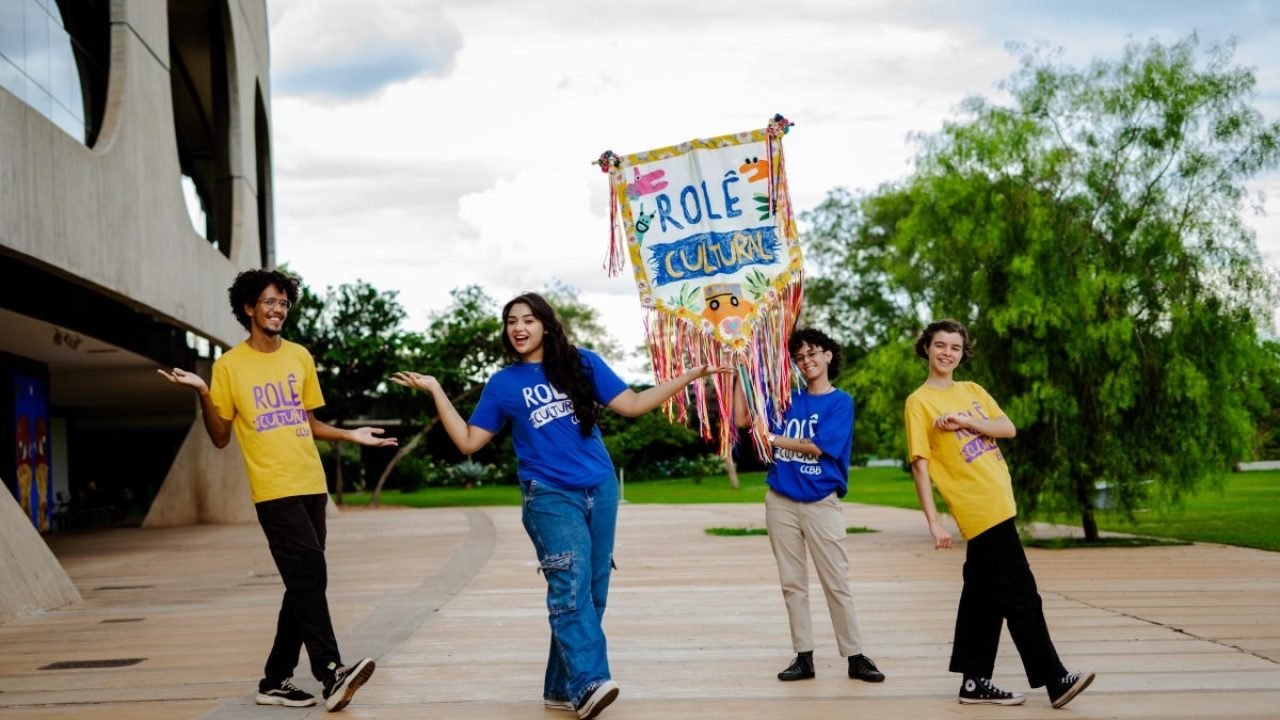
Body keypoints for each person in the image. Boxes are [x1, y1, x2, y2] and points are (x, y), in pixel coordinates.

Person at [392, 291, 727, 720]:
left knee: (593, 590)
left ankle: (559, 688)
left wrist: (691, 374)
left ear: (546, 325)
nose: (518, 328)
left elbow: (633, 404)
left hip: (600, 488)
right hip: (548, 494)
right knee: (569, 583)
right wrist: (437, 389)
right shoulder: (503, 384)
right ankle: (589, 682)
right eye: (511, 321)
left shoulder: (582, 363)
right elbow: (469, 441)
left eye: (528, 320)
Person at [159, 269, 396, 712]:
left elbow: (308, 423)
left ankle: (274, 680)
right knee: (308, 574)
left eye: (284, 303)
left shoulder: (300, 357)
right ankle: (331, 673)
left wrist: (351, 435)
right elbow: (220, 437)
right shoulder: (229, 366)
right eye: (269, 301)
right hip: (273, 489)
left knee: (303, 581)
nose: (278, 310)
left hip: (311, 485)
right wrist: (203, 394)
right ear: (249, 307)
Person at [904, 318, 1094, 709]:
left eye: (955, 348)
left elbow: (1007, 427)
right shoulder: (918, 402)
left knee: (983, 595)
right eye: (940, 345)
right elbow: (920, 464)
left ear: (962, 353)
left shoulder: (972, 391)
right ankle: (1055, 679)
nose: (947, 353)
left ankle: (974, 681)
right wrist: (934, 520)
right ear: (926, 348)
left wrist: (966, 420)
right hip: (978, 509)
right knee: (1021, 594)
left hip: (1000, 501)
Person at [733, 327, 885, 685]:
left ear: (829, 355)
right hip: (781, 500)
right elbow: (743, 420)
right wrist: (741, 370)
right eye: (800, 357)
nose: (807, 361)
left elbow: (818, 447)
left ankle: (855, 655)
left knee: (836, 582)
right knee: (792, 583)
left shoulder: (840, 401)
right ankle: (804, 656)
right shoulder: (787, 400)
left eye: (813, 353)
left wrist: (771, 437)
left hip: (821, 501)